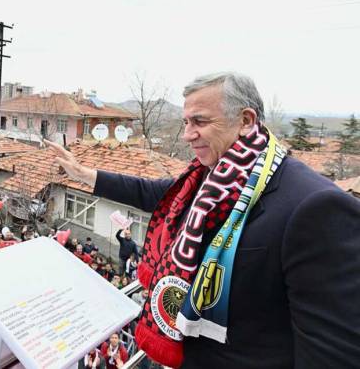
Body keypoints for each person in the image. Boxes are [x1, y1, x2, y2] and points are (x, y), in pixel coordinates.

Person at [47, 71, 360, 368]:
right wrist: (84, 175)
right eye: (185, 122)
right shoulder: (209, 179)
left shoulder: (316, 206)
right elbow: (151, 192)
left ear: (245, 120)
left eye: (199, 121)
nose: (187, 134)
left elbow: (330, 355)